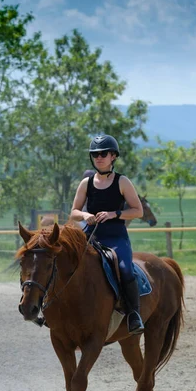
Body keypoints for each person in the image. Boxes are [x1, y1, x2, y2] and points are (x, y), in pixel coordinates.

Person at [70, 135, 145, 335]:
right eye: (95, 154)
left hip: (116, 237)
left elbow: (138, 211)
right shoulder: (86, 183)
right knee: (63, 260)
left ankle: (133, 314)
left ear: (113, 156)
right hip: (91, 235)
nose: (99, 157)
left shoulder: (123, 182)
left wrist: (115, 214)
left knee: (124, 268)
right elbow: (74, 212)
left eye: (103, 154)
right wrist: (85, 215)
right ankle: (49, 308)